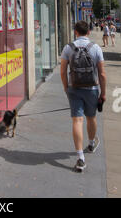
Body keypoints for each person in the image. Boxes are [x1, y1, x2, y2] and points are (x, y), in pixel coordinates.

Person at [61, 21, 106, 172]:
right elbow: (102, 74)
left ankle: (80, 158)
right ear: (88, 32)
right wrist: (103, 93)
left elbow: (62, 71)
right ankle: (91, 143)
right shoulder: (96, 48)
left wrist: (67, 88)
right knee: (91, 118)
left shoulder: (68, 47)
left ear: (75, 32)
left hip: (74, 88)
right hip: (92, 89)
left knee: (77, 120)